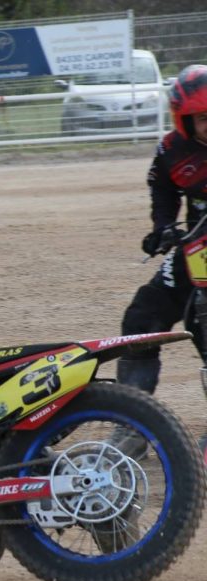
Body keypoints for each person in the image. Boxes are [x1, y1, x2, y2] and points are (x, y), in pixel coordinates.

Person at [115, 64, 207, 415]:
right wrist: (163, 228)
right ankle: (134, 423)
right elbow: (164, 191)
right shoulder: (171, 150)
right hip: (196, 248)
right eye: (202, 118)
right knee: (142, 320)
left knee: (203, 324)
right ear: (184, 121)